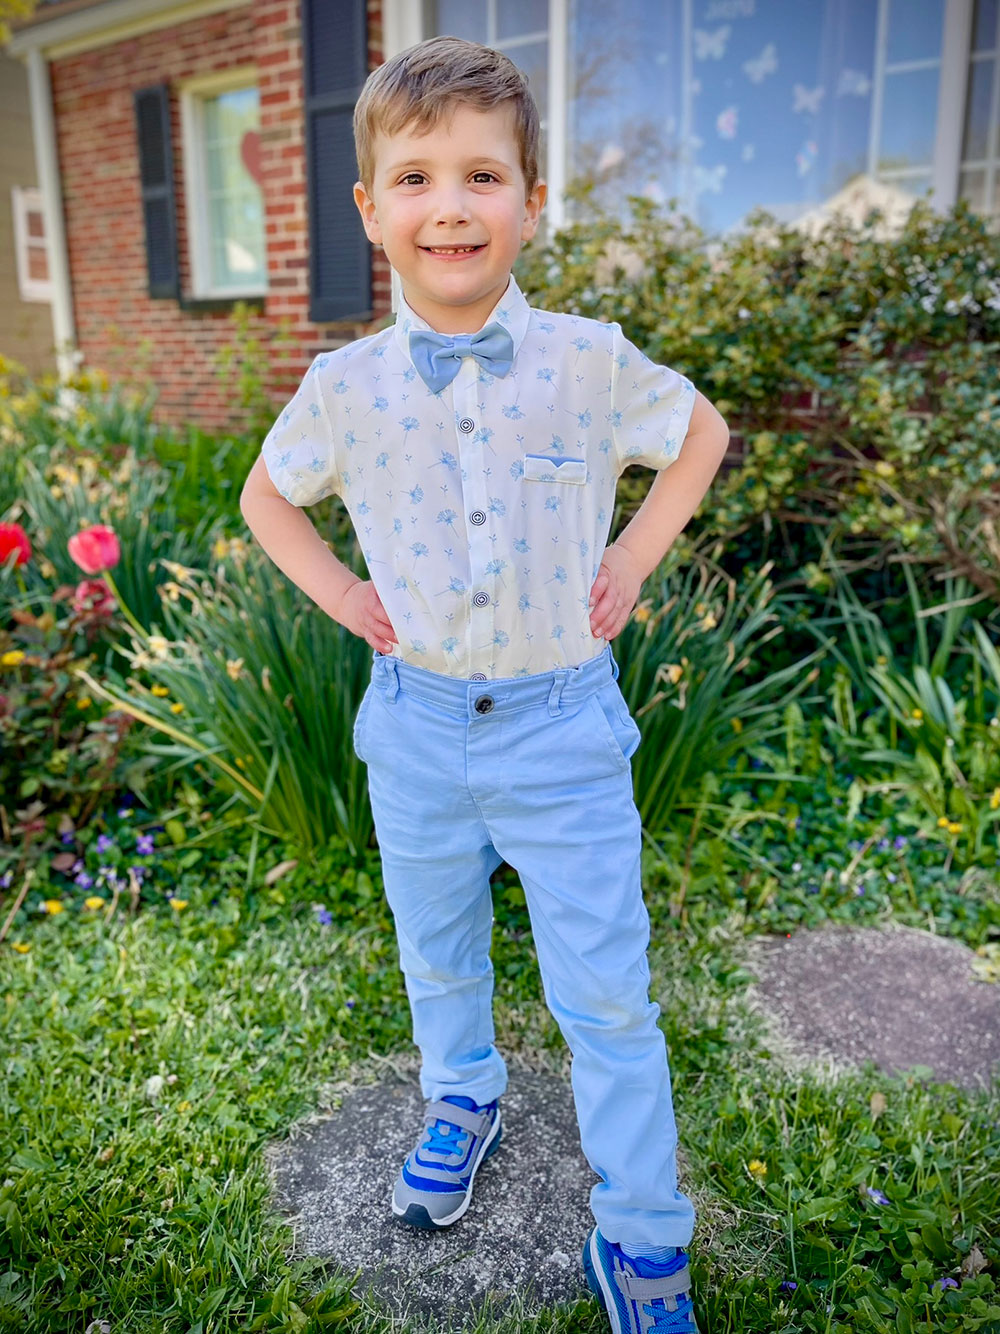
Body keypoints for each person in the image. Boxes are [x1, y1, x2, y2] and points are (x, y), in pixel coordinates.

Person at [240, 35, 729, 1334]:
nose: (448, 203)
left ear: (533, 199)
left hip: (564, 726)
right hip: (415, 729)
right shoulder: (342, 388)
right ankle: (463, 1091)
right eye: (414, 178)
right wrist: (344, 597)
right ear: (370, 210)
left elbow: (699, 435)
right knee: (437, 947)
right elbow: (264, 495)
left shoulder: (584, 359)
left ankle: (639, 1230)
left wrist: (631, 551)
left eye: (481, 175)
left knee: (608, 987)